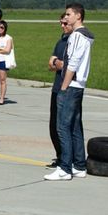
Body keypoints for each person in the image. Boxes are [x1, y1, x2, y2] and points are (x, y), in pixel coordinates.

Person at [46, 3, 93, 181]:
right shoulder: (87, 36)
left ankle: (65, 167)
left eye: (68, 15)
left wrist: (64, 87)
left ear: (78, 16)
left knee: (62, 126)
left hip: (71, 85)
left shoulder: (76, 37)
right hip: (79, 85)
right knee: (74, 126)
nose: (65, 18)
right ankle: (79, 165)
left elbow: (72, 64)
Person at [45, 14, 71, 167]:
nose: (62, 26)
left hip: (66, 88)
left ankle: (67, 159)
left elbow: (67, 65)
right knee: (53, 126)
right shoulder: (60, 42)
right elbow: (51, 65)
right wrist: (56, 62)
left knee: (64, 126)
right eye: (61, 23)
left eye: (65, 23)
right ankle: (60, 156)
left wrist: (57, 63)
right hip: (56, 87)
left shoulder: (73, 42)